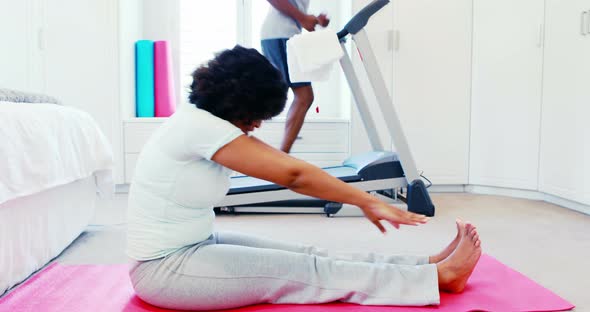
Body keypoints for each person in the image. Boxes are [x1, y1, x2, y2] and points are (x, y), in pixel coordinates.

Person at [126, 46, 482, 311]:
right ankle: (438, 280)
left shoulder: (202, 121)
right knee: (307, 271)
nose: (258, 125)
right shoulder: (199, 128)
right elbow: (293, 174)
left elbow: (280, 162)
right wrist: (368, 200)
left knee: (308, 253)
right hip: (167, 271)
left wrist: (364, 200)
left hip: (199, 243)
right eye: (257, 116)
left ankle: (423, 265)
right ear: (238, 103)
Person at [260, 0, 329, 153]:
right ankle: (283, 156)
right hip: (281, 35)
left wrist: (314, 20)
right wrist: (302, 18)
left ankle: (282, 155)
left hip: (281, 36)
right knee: (304, 96)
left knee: (298, 96)